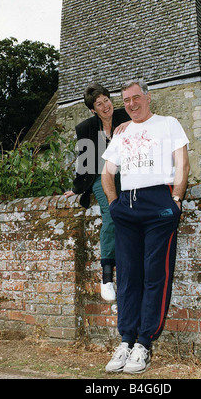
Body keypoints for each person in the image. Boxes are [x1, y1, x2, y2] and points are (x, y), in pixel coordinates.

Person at [101, 79, 190, 374]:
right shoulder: (122, 132)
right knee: (126, 276)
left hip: (158, 203)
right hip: (126, 206)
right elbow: (107, 172)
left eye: (136, 98)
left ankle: (144, 344)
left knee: (155, 274)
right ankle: (126, 339)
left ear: (148, 97)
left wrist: (175, 199)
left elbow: (182, 163)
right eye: (126, 100)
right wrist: (114, 204)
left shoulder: (168, 123)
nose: (131, 104)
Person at [64, 82, 130, 302]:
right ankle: (107, 277)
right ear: (93, 109)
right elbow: (84, 164)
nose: (105, 106)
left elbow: (150, 126)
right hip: (101, 177)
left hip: (129, 175)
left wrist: (130, 123)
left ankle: (129, 271)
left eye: (107, 100)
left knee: (132, 215)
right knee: (111, 215)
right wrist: (76, 189)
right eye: (99, 104)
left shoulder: (126, 116)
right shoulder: (86, 129)